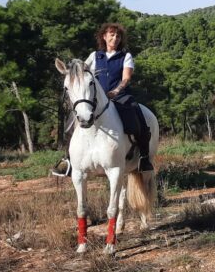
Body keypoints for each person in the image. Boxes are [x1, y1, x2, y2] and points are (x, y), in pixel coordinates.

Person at [53, 23, 153, 176]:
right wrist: (70, 72)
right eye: (112, 35)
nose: (115, 38)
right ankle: (68, 159)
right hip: (96, 98)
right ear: (104, 37)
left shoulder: (125, 56)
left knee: (137, 115)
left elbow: (126, 78)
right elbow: (81, 72)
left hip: (120, 95)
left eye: (118, 36)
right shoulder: (95, 56)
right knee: (71, 122)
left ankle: (144, 157)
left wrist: (116, 91)